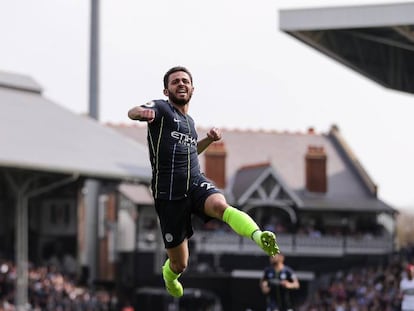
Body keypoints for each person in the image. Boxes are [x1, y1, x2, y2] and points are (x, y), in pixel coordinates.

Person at [128, 66, 279, 298]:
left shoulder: (189, 122)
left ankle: (259, 236)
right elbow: (134, 111)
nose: (181, 84)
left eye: (185, 81)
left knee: (221, 205)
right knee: (180, 264)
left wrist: (208, 139)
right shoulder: (160, 108)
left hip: (195, 183)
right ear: (166, 90)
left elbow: (190, 152)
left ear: (192, 88)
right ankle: (169, 276)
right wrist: (140, 114)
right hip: (169, 196)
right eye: (175, 81)